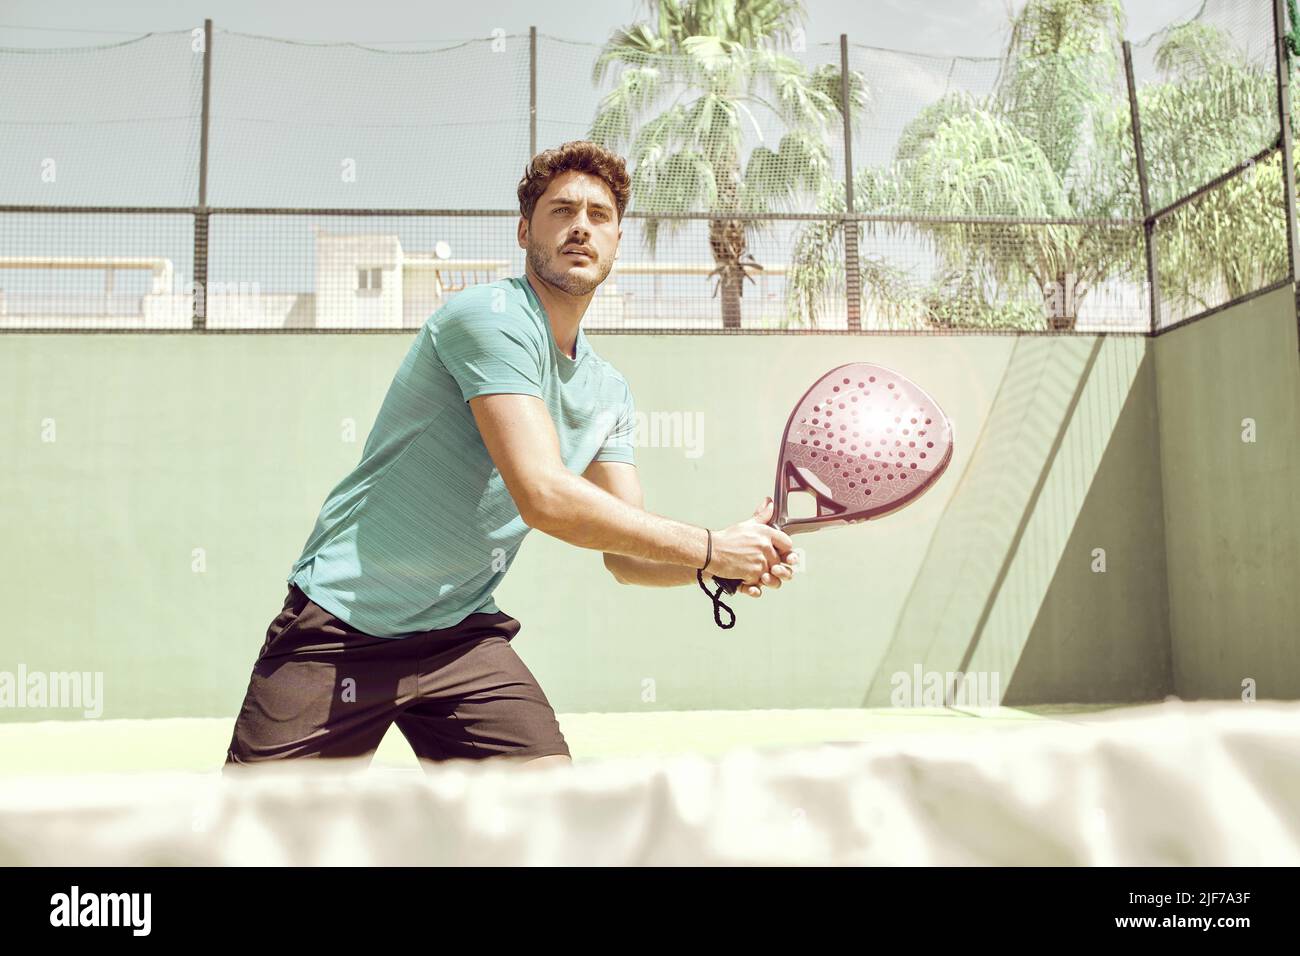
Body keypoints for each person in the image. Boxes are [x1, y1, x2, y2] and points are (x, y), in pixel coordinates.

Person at [225, 141, 796, 773]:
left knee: (551, 821)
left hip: (460, 638)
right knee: (256, 842)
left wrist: (719, 566)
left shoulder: (608, 390)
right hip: (340, 627)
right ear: (525, 230)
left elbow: (627, 556)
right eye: (562, 211)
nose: (582, 226)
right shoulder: (489, 317)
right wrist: (713, 547)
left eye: (600, 215)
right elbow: (544, 496)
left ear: (617, 241)